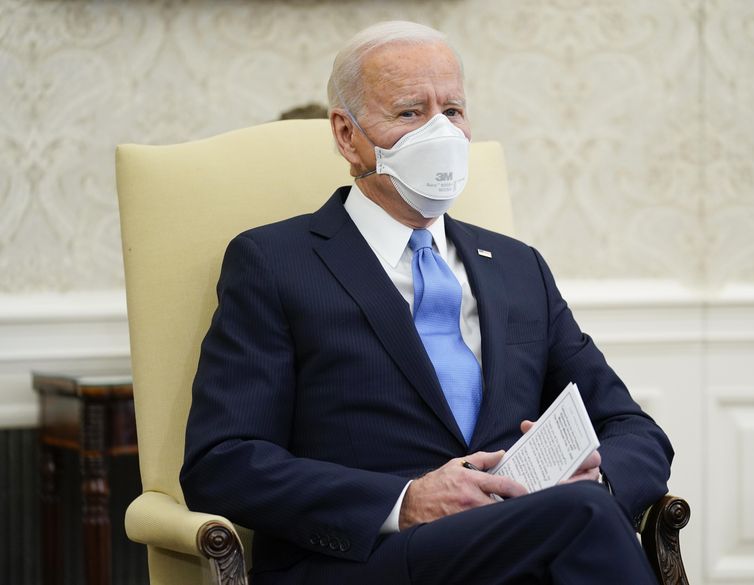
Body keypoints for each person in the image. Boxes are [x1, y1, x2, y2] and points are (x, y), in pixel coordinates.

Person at [181, 20, 673, 585]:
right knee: (581, 520)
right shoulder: (274, 262)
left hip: (523, 540)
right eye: (412, 113)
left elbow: (632, 428)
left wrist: (599, 480)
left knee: (582, 509)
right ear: (347, 135)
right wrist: (404, 500)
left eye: (454, 112)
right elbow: (223, 462)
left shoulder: (518, 267)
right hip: (366, 560)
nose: (439, 132)